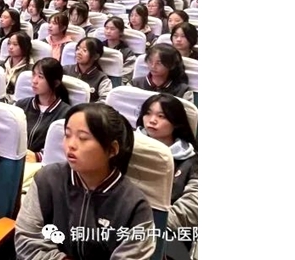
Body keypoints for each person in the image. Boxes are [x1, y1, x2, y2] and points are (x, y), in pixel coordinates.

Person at [14, 104, 156, 260]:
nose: (71, 145)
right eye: (67, 135)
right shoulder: (47, 179)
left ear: (112, 149)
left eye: (83, 138)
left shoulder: (134, 205)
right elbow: (27, 239)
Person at [136, 94, 198, 254]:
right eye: (147, 113)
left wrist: (149, 226)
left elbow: (192, 206)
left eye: (161, 116)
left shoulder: (193, 161)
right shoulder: (127, 149)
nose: (152, 120)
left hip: (167, 230)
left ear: (176, 122)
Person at [14, 58, 71, 161]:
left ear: (56, 83)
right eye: (33, 75)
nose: (34, 81)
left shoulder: (66, 113)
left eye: (40, 77)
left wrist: (38, 156)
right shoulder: (21, 105)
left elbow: (61, 147)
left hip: (43, 165)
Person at [63, 37, 112, 103]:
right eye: (78, 49)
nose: (78, 52)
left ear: (96, 56)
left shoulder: (102, 79)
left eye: (84, 50)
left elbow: (104, 103)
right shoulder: (65, 70)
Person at [101, 17, 136, 85]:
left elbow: (126, 77)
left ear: (121, 31)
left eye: (112, 29)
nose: (108, 31)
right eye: (106, 28)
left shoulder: (128, 53)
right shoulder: (98, 47)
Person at [4, 32, 34, 99]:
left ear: (24, 47)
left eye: (15, 44)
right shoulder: (3, 63)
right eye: (9, 43)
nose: (10, 47)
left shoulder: (29, 70)